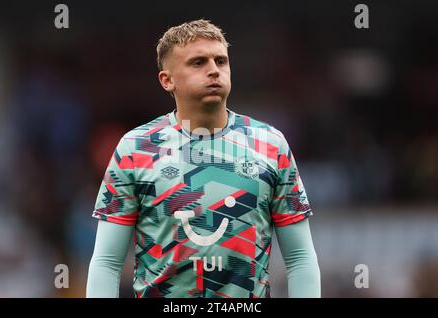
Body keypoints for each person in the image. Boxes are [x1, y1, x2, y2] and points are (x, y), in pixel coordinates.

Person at [86, 19, 320, 298]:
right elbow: (107, 263)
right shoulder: (135, 149)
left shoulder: (270, 145)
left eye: (220, 61)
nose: (213, 70)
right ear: (167, 80)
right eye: (198, 62)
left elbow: (300, 259)